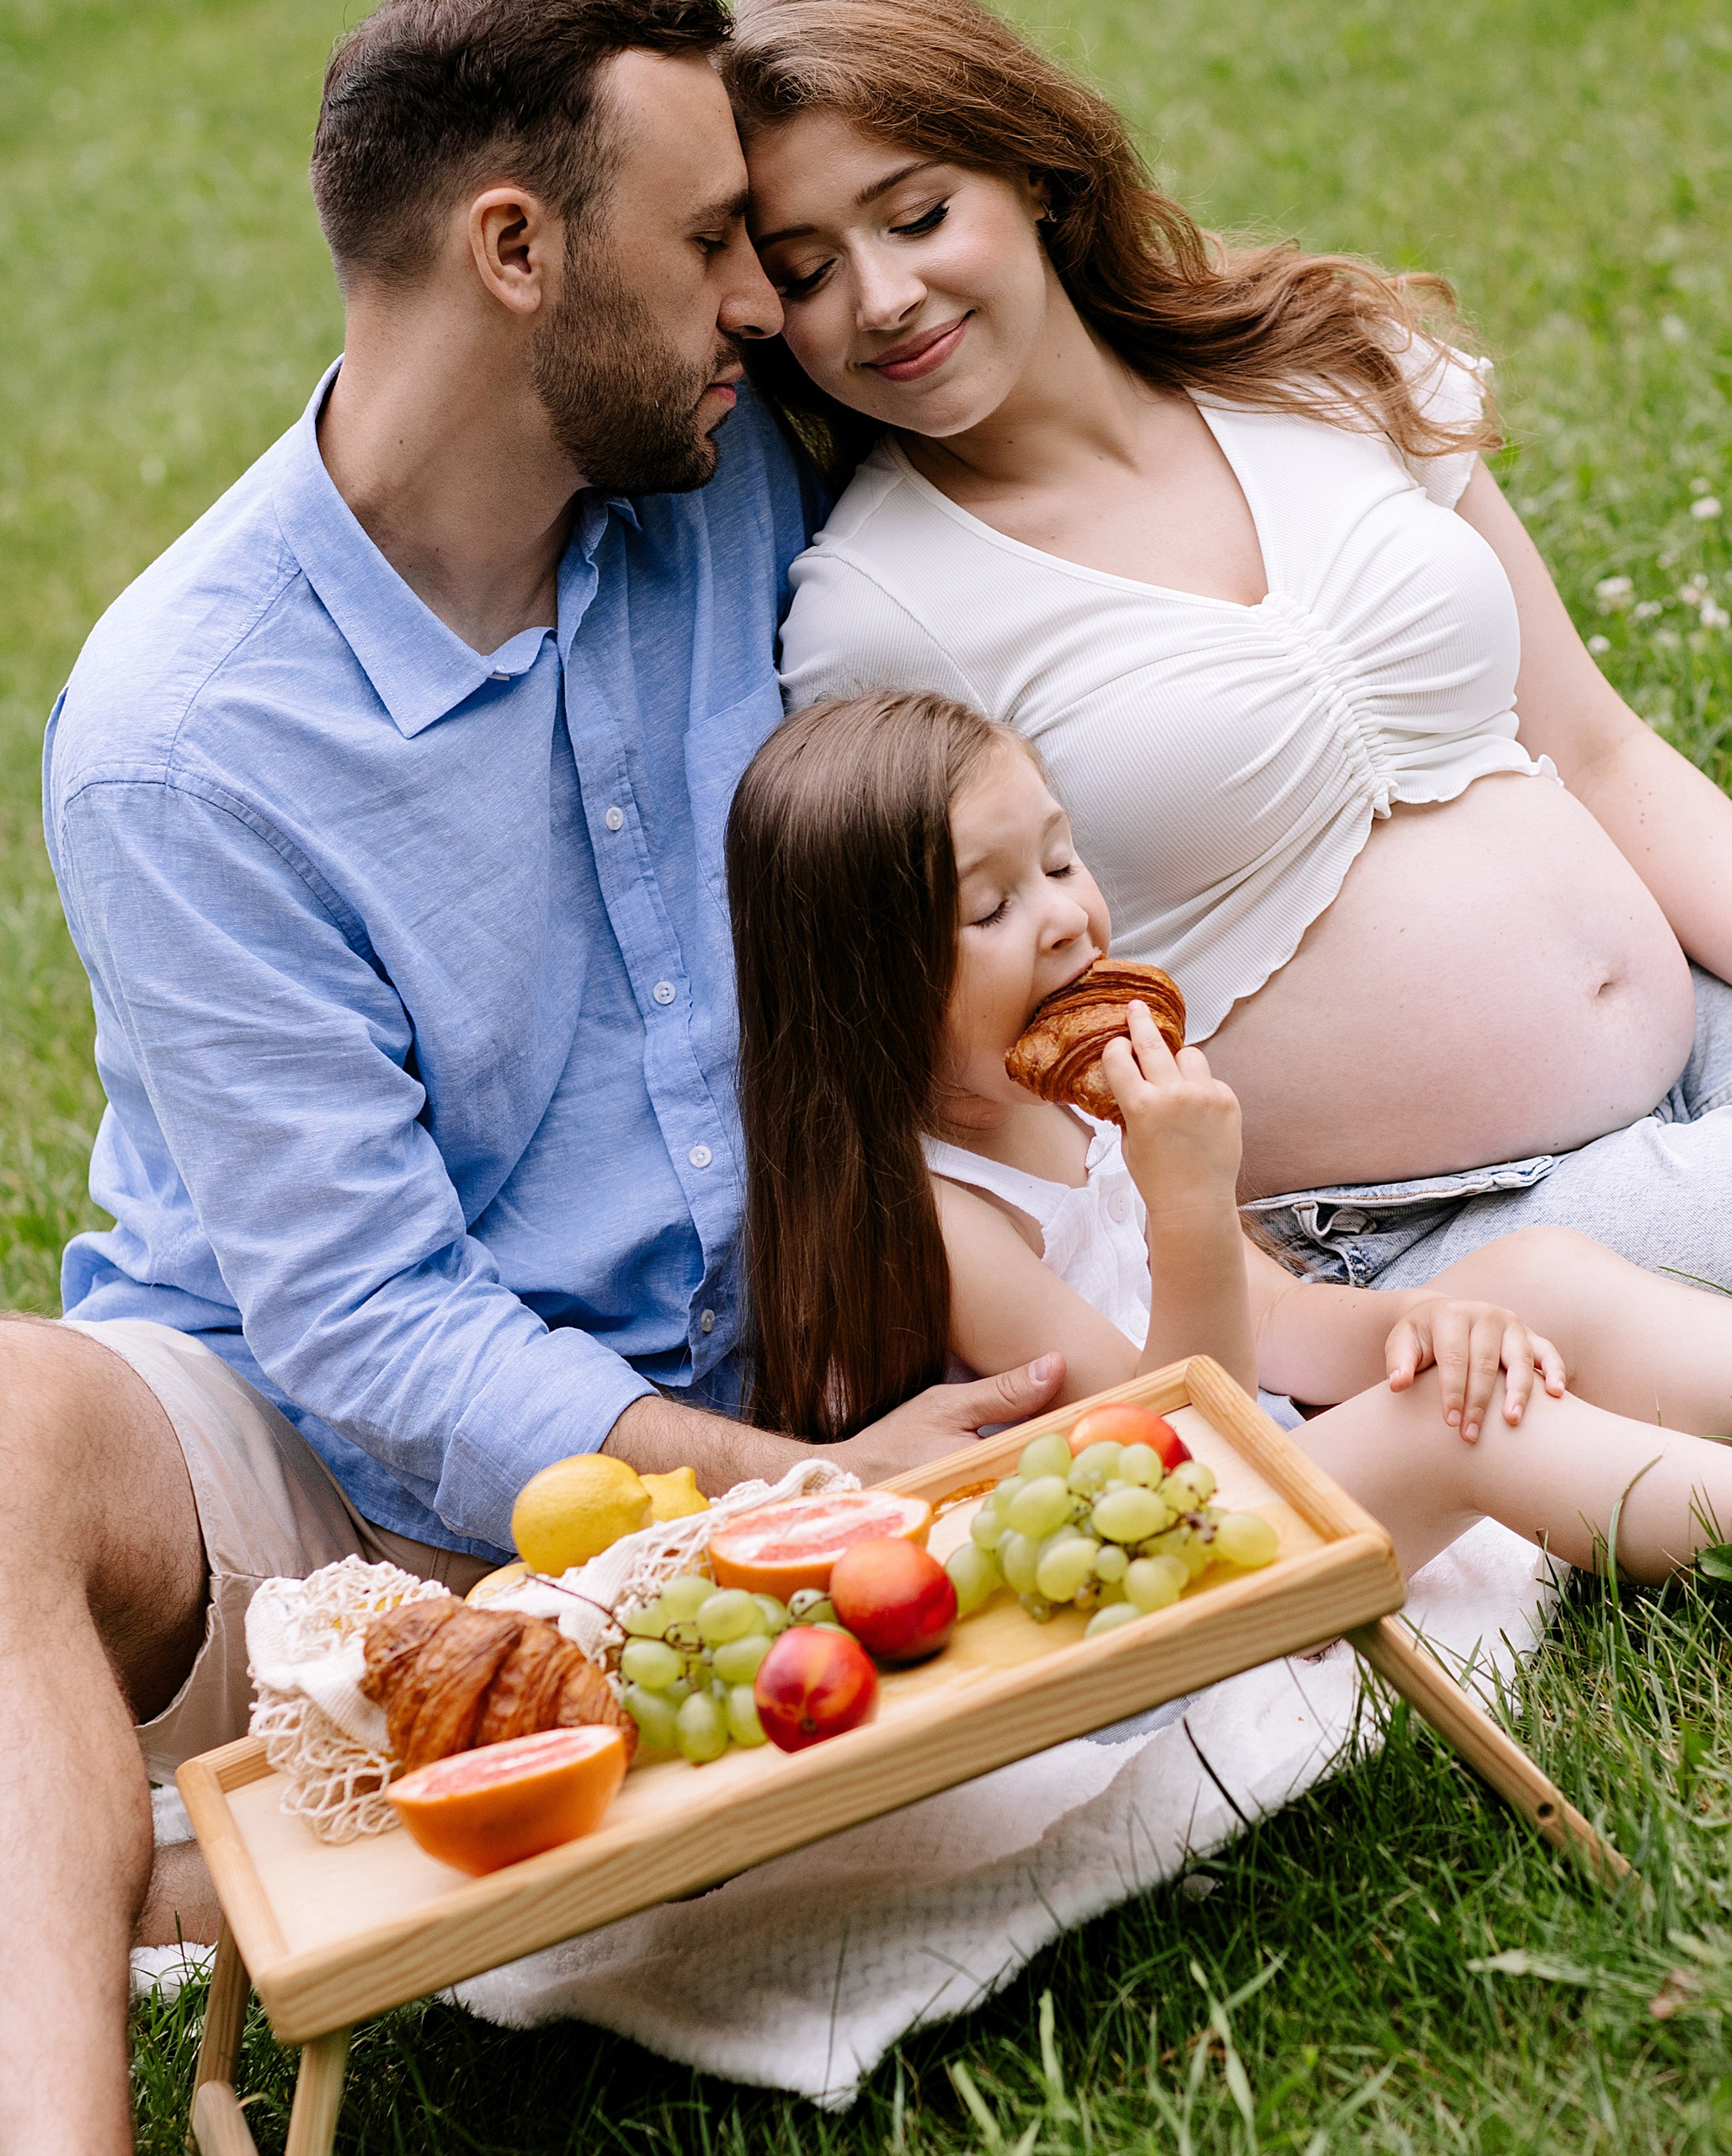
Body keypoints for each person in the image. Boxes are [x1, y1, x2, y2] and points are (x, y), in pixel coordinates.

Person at [3, 6, 1066, 2147]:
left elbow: (1065, 373)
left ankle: (227, 1860)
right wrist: (779, 1493)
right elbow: (360, 1322)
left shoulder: (733, 447)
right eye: (708, 244)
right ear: (514, 249)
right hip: (333, 1490)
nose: (767, 301)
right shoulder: (184, 732)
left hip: (820, 1350)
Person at [731, 0, 1732, 1358]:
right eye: (804, 270)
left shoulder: (1308, 363)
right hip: (1430, 1242)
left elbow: (1593, 748)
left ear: (1035, 174)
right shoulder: (876, 616)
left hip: (1723, 1019)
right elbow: (944, 1058)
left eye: (919, 215)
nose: (884, 295)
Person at [725, 690, 1732, 1601]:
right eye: (989, 907)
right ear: (865, 988)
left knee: (1530, 1283)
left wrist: (1419, 1321)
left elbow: (1282, 1319)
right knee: (1462, 1421)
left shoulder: (1071, 1095)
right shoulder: (949, 1221)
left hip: (1249, 1470)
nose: (1064, 918)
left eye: (1057, 860)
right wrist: (1184, 1205)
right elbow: (1180, 1432)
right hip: (1157, 1568)